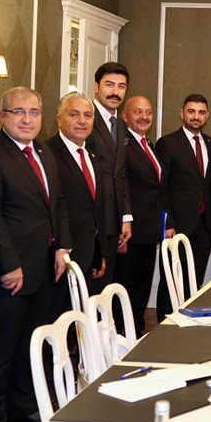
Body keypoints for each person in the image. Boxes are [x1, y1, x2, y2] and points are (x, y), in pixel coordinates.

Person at [0, 87, 72, 422]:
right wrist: (9, 265)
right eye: (19, 112)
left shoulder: (43, 151)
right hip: (10, 274)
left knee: (30, 347)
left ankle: (22, 411)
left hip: (44, 269)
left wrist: (62, 247)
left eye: (34, 112)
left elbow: (57, 203)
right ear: (2, 116)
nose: (27, 119)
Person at [156, 94, 211, 317]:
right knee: (171, 278)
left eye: (201, 112)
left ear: (207, 116)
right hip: (177, 224)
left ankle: (188, 320)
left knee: (195, 277)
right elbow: (162, 188)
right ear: (182, 114)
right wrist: (167, 222)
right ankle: (166, 323)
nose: (196, 117)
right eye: (191, 111)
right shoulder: (168, 143)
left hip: (204, 224)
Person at [46, 94, 111, 297]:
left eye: (88, 115)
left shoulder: (93, 156)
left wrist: (99, 254)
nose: (82, 121)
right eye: (74, 114)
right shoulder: (47, 154)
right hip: (59, 259)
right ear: (59, 119)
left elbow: (96, 209)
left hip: (89, 257)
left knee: (82, 314)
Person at [117, 95, 171, 337]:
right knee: (125, 288)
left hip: (149, 231)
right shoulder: (122, 146)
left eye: (148, 112)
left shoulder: (148, 144)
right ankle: (121, 336)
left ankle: (136, 332)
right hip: (130, 232)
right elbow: (121, 187)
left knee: (141, 287)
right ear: (125, 116)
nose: (144, 117)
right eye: (137, 112)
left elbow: (158, 188)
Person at [85, 62, 133, 284]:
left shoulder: (121, 125)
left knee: (107, 288)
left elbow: (121, 175)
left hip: (115, 223)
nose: (115, 92)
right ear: (96, 86)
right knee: (91, 289)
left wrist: (126, 217)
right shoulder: (85, 120)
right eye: (109, 85)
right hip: (92, 224)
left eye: (121, 86)